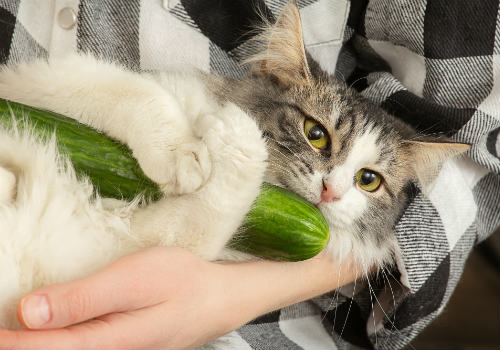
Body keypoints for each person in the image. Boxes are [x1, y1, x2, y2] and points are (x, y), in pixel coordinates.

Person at [0, 1, 498, 349]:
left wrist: (228, 295)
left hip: (259, 320)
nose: (333, 186)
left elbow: (474, 160)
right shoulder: (193, 106)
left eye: (368, 180)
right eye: (319, 137)